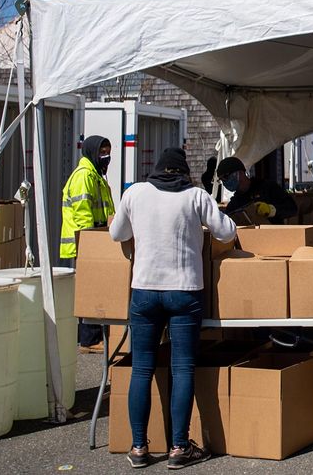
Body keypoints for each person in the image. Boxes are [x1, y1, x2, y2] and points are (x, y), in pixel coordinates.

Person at [110, 147, 237, 470]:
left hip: (145, 291)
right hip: (185, 291)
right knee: (182, 369)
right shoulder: (195, 196)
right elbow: (226, 232)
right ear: (183, 173)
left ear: (156, 169)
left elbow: (117, 233)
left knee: (142, 369)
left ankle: (139, 447)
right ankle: (179, 447)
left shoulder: (135, 193)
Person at [61, 135, 116, 347]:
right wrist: (92, 241)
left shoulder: (97, 176)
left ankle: (95, 336)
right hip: (85, 242)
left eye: (108, 152)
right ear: (92, 152)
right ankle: (89, 339)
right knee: (91, 290)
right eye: (102, 152)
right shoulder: (85, 176)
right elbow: (82, 212)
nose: (106, 156)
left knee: (98, 289)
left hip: (96, 241)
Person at [216, 157, 297, 224]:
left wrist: (271, 209)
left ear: (240, 172)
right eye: (221, 180)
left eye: (226, 177)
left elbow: (292, 208)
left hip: (275, 237)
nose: (224, 182)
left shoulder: (267, 187)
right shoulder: (234, 205)